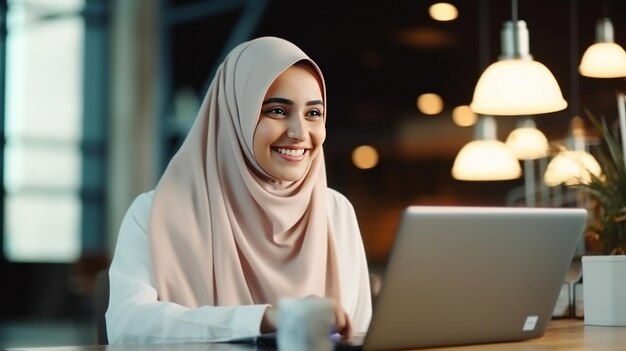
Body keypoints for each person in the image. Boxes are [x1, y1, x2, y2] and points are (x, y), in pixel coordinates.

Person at [106, 36, 372, 344]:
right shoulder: (160, 211)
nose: (300, 133)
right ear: (233, 115)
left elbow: (360, 332)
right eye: (277, 111)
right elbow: (127, 324)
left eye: (313, 113)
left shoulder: (335, 211)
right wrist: (269, 318)